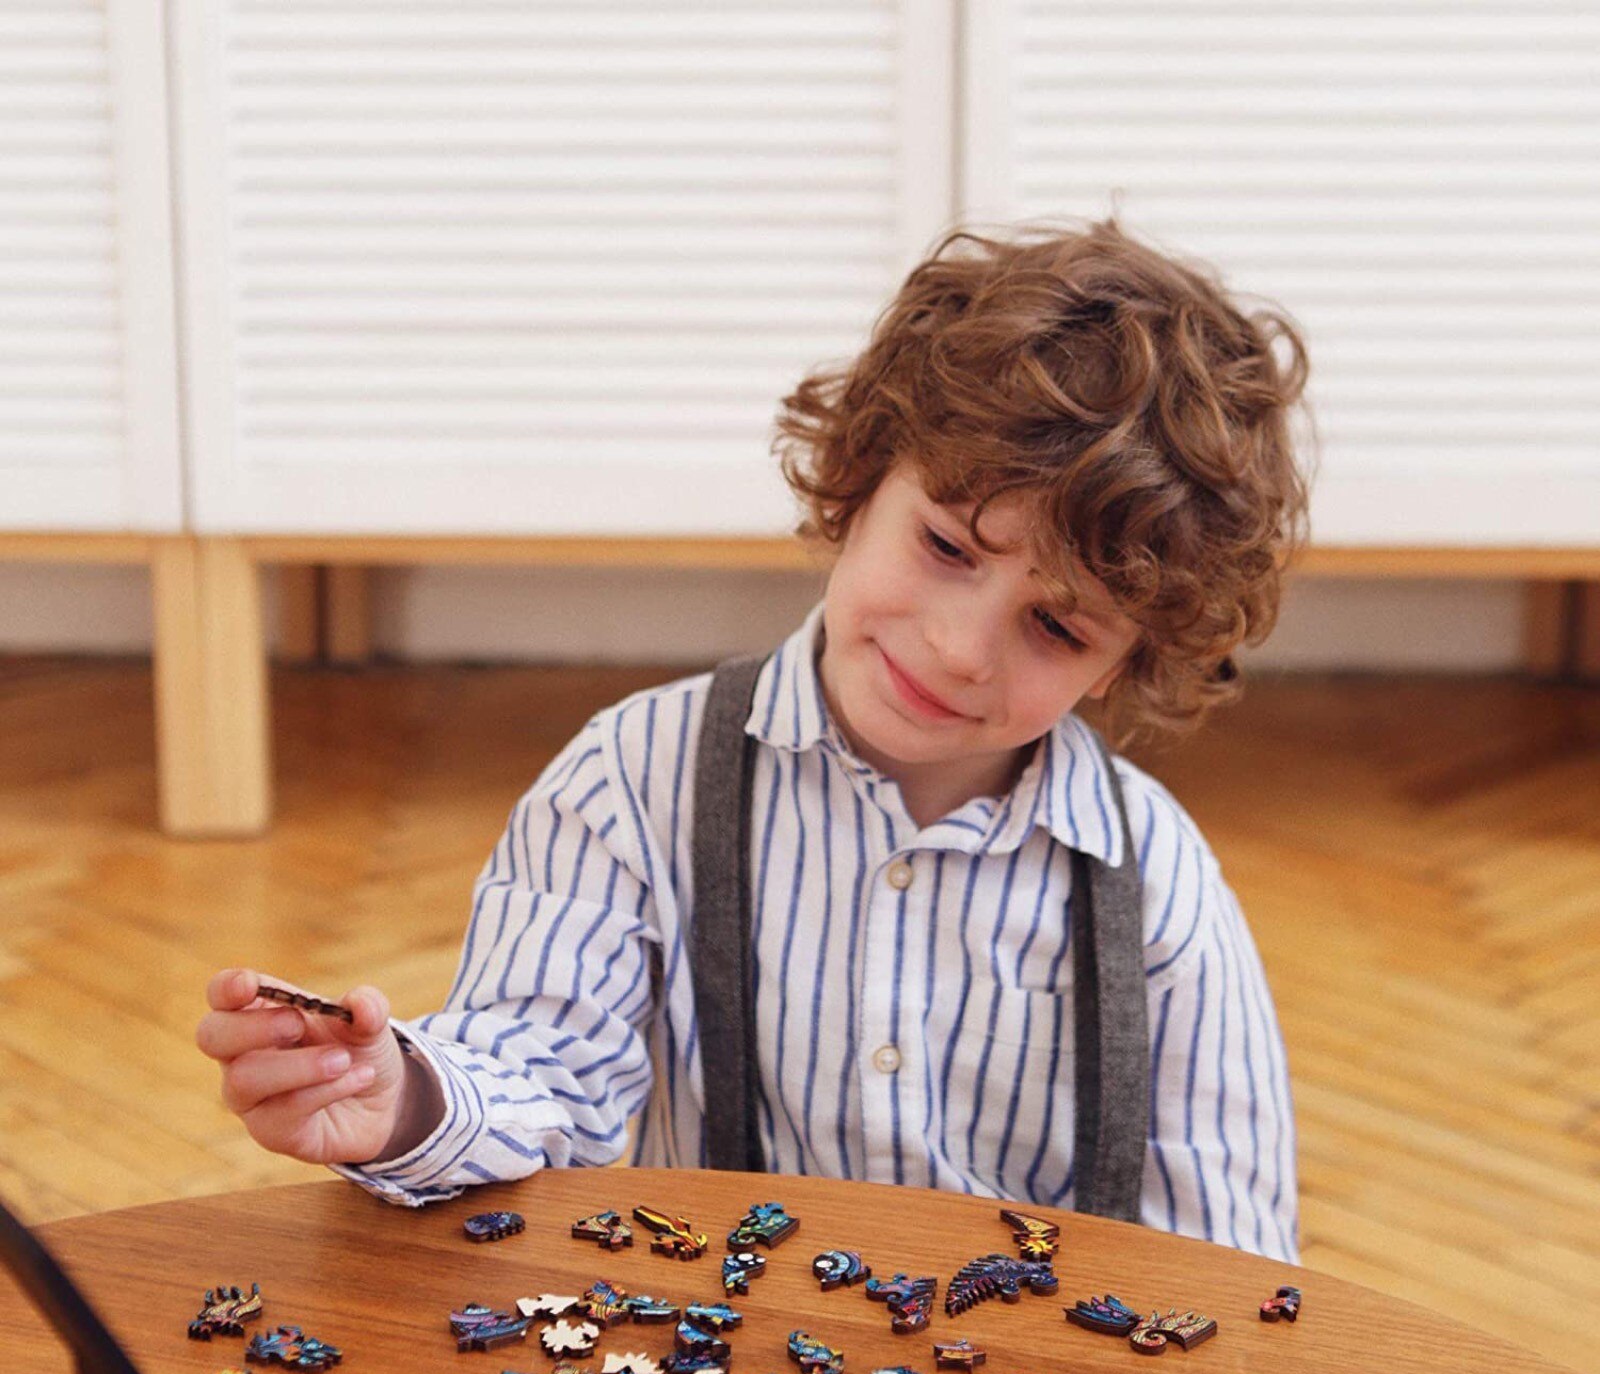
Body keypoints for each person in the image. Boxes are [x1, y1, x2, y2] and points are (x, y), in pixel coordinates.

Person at [197, 217, 1313, 1262]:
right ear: (863, 475)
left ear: (1122, 663)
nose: (962, 647)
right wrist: (400, 1098)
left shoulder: (1154, 883)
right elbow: (536, 1083)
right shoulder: (631, 783)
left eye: (1057, 625)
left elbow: (1229, 1267)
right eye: (944, 546)